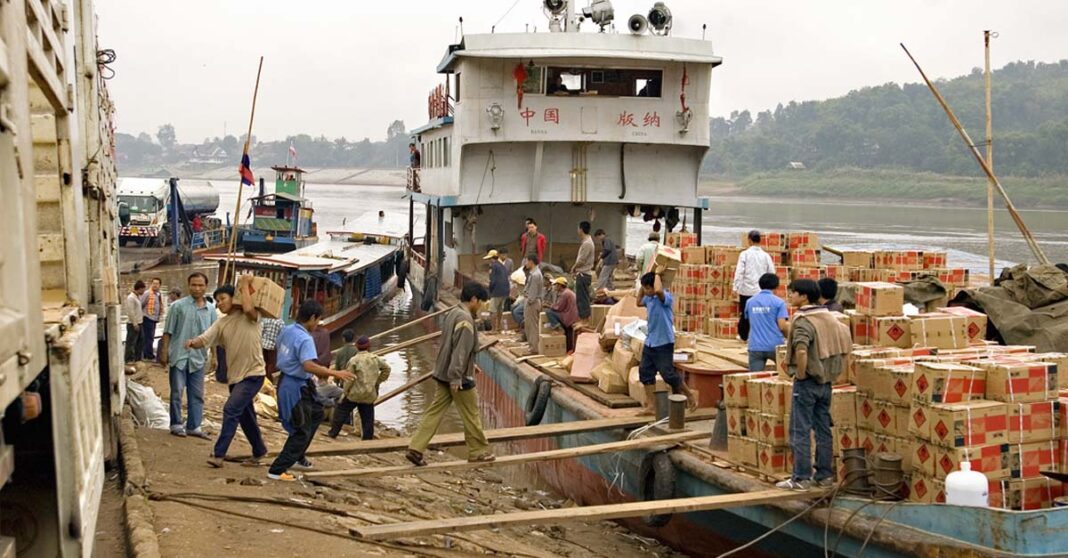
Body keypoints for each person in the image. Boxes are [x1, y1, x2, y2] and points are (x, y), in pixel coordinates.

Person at [406, 283, 494, 466]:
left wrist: (470, 365)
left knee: (434, 412)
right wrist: (457, 376)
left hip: (443, 372)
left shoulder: (453, 313)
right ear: (474, 300)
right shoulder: (466, 320)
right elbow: (460, 350)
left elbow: (452, 346)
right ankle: (478, 451)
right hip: (457, 377)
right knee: (471, 414)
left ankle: (415, 447)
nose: (482, 306)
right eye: (481, 302)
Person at [777, 279, 853, 491]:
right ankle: (825, 475)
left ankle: (801, 477)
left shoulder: (803, 320)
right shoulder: (829, 317)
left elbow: (801, 350)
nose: (789, 297)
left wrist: (800, 374)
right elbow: (846, 341)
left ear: (803, 296)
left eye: (792, 293)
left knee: (799, 430)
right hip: (826, 382)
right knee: (822, 429)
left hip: (808, 382)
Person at [268, 301, 355, 481]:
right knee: (300, 430)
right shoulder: (305, 338)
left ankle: (298, 456)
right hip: (294, 386)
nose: (318, 324)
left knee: (316, 413)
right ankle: (277, 469)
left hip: (294, 382)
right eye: (318, 320)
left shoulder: (287, 330)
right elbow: (308, 365)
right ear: (312, 318)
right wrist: (334, 372)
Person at [185, 277, 268, 467]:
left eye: (223, 298)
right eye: (217, 301)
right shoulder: (222, 323)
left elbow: (247, 308)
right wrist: (192, 343)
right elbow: (205, 339)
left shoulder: (251, 316)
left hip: (254, 374)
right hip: (235, 378)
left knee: (230, 409)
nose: (220, 303)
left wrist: (245, 285)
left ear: (235, 298)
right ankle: (259, 451)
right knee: (246, 416)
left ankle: (218, 454)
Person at [160, 273, 217, 438]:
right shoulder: (177, 307)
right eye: (194, 285)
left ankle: (194, 426)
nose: (197, 288)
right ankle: (176, 424)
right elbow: (167, 332)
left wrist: (215, 356)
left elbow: (213, 335)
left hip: (199, 358)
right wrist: (164, 352)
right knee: (177, 391)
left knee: (197, 394)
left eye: (200, 285)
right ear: (188, 285)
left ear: (206, 287)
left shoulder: (211, 310)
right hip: (179, 356)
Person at [636, 269, 697, 414]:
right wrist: (643, 284)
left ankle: (690, 395)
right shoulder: (649, 299)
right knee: (645, 372)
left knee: (668, 374)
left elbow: (658, 290)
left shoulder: (665, 298)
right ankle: (651, 406)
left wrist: (657, 274)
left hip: (663, 342)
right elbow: (638, 302)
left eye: (647, 288)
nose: (646, 291)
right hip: (650, 341)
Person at [327, 336, 391, 440]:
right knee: (368, 417)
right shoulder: (375, 359)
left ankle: (333, 433)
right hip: (369, 393)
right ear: (368, 346)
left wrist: (345, 392)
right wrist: (377, 381)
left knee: (341, 411)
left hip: (354, 393)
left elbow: (349, 378)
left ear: (357, 347)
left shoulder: (354, 360)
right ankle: (367, 439)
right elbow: (387, 369)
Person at [733, 230, 776, 342]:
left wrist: (735, 287)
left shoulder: (745, 254)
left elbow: (739, 272)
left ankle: (744, 336)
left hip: (746, 290)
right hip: (761, 290)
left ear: (750, 240)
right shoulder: (766, 256)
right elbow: (771, 272)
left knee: (745, 313)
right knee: (761, 313)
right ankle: (760, 336)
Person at [745, 274, 790, 372]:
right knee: (783, 376)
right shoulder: (779, 303)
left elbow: (747, 321)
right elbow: (782, 326)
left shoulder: (750, 302)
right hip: (775, 346)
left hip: (755, 346)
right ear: (777, 286)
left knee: (755, 379)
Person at [545, 277, 578, 353]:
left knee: (548, 312)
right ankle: (569, 349)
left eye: (556, 285)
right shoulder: (568, 292)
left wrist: (548, 305)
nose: (555, 287)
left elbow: (559, 307)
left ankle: (558, 328)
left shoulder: (565, 294)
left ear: (560, 285)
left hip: (568, 317)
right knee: (568, 335)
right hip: (572, 316)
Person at [572, 221, 595, 321]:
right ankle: (584, 319)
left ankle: (585, 320)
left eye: (578, 228)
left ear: (581, 229)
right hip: (583, 274)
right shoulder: (586, 242)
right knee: (581, 298)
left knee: (582, 299)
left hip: (583, 274)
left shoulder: (587, 243)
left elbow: (581, 260)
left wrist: (573, 268)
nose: (577, 231)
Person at [523, 256, 544, 354]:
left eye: (527, 261)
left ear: (531, 262)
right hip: (532, 301)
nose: (525, 264)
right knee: (529, 325)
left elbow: (533, 292)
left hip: (533, 302)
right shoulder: (534, 273)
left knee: (532, 326)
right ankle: (532, 346)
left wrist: (529, 301)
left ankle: (534, 348)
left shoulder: (535, 275)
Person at [485, 249, 510, 331]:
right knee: (500, 310)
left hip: (497, 291)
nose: (488, 261)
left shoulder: (493, 266)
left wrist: (490, 291)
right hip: (505, 290)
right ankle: (499, 327)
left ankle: (493, 329)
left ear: (492, 258)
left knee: (493, 310)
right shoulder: (502, 266)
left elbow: (493, 281)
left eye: (489, 259)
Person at [141, 277, 164, 360]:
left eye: (157, 284)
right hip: (147, 317)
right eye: (154, 283)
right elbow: (141, 304)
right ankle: (148, 354)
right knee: (148, 337)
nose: (155, 285)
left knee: (151, 336)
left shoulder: (158, 294)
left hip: (154, 318)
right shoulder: (147, 293)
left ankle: (148, 353)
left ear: (160, 285)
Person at [123, 281, 146, 363]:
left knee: (140, 341)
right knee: (131, 342)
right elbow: (131, 312)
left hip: (140, 322)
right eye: (143, 290)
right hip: (133, 324)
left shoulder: (137, 297)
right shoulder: (131, 298)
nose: (144, 292)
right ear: (139, 289)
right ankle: (128, 359)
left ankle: (138, 358)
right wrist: (135, 324)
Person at [260, 316, 284, 381]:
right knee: (272, 365)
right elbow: (282, 335)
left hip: (264, 345)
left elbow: (261, 331)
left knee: (264, 363)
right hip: (273, 346)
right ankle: (269, 380)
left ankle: (263, 379)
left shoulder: (265, 319)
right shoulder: (280, 322)